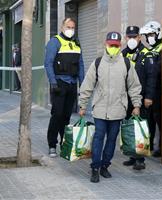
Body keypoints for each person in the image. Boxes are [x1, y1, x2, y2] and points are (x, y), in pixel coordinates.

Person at [79, 31, 142, 183]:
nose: (113, 47)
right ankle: (95, 167)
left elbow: (134, 86)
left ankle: (105, 166)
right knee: (99, 137)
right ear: (106, 44)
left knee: (112, 140)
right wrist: (82, 105)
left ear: (120, 45)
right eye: (110, 45)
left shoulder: (126, 64)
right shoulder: (98, 63)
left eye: (116, 45)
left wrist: (136, 104)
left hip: (118, 109)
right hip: (100, 109)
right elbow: (87, 85)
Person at [44, 18, 84, 158]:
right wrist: (53, 82)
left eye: (73, 27)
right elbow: (48, 63)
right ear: (62, 27)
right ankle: (52, 145)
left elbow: (81, 65)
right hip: (59, 84)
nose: (70, 30)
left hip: (72, 84)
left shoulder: (76, 43)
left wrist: (82, 84)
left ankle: (64, 143)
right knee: (57, 115)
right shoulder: (55, 42)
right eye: (68, 27)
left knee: (67, 116)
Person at [122, 25, 156, 170]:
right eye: (129, 37)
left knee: (141, 127)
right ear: (125, 37)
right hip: (126, 98)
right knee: (129, 127)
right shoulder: (122, 53)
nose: (131, 39)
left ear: (139, 37)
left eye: (134, 36)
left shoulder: (147, 54)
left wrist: (149, 96)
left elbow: (152, 77)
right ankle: (132, 154)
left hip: (141, 98)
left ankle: (140, 159)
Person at [140, 21, 162, 157]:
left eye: (151, 34)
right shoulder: (149, 50)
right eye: (147, 35)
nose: (149, 37)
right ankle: (148, 146)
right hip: (149, 90)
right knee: (149, 120)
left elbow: (157, 69)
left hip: (159, 90)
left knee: (160, 120)